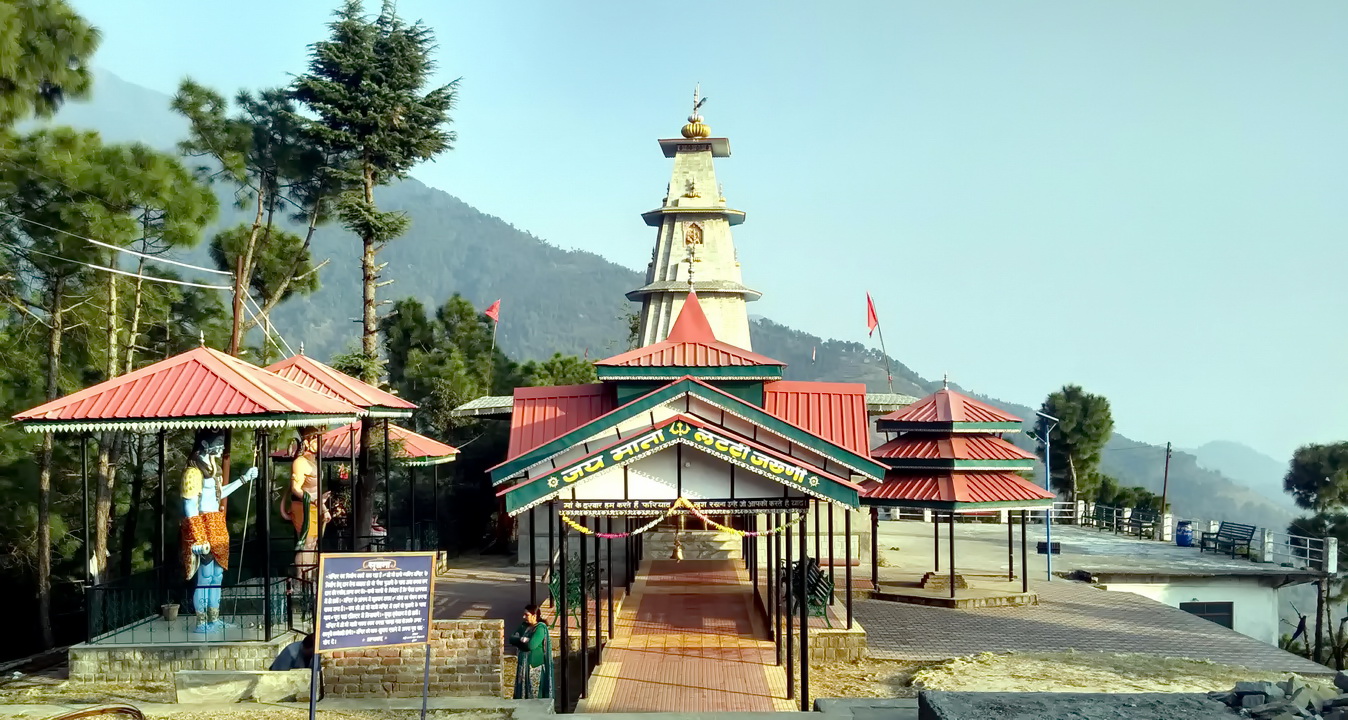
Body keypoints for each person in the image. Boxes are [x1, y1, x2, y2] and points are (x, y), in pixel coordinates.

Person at [182, 430, 256, 633]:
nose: (222, 447)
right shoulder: (193, 472)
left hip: (217, 524)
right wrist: (197, 537)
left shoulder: (213, 470)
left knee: (217, 576)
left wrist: (243, 479)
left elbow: (218, 493)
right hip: (203, 525)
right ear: (205, 444)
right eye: (219, 443)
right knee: (205, 577)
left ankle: (213, 619)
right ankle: (202, 621)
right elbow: (190, 506)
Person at [509, 604, 553, 699]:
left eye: (526, 615)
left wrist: (522, 642)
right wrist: (521, 639)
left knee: (534, 693)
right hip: (523, 666)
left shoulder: (540, 628)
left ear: (534, 616)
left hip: (534, 667)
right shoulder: (524, 626)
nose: (523, 617)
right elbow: (511, 638)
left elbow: (531, 645)